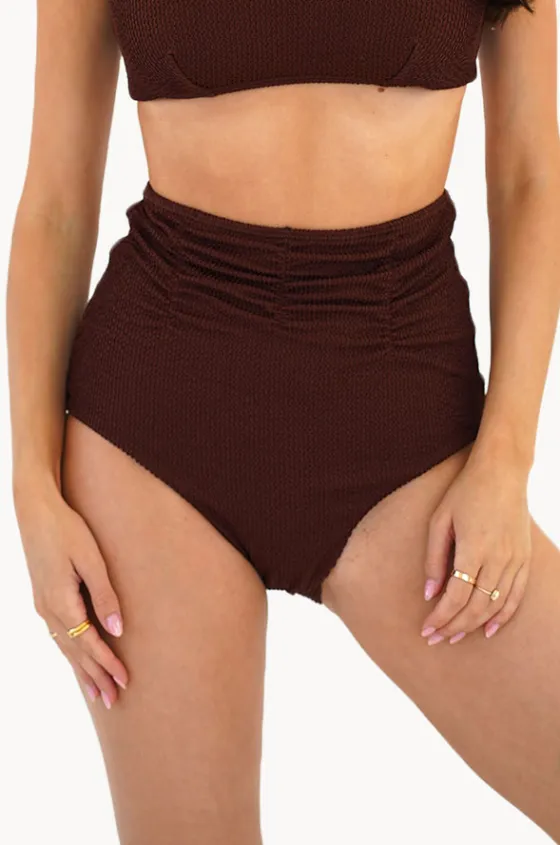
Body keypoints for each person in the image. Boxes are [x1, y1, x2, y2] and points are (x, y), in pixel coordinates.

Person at [6, 0, 560, 841]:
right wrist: (31, 489)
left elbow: (530, 177)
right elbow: (54, 202)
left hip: (410, 426)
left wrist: (507, 460)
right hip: (155, 431)